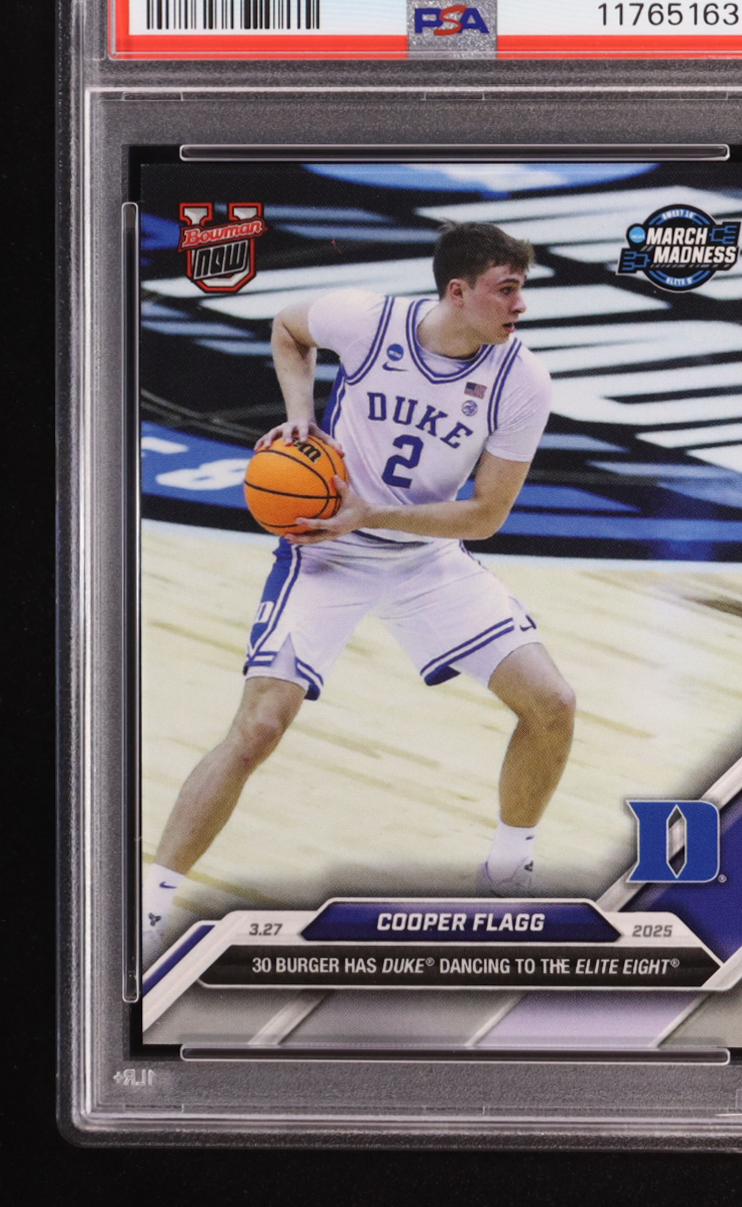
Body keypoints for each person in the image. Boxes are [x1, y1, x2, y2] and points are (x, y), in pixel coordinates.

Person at [143, 222, 576, 961]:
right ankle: (149, 907)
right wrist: (300, 422)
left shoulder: (521, 380)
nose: (520, 305)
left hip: (425, 559)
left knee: (553, 704)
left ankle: (508, 868)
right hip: (326, 553)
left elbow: (486, 515)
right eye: (507, 290)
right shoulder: (368, 321)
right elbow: (287, 328)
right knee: (259, 726)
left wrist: (370, 513)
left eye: (521, 290)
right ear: (457, 291)